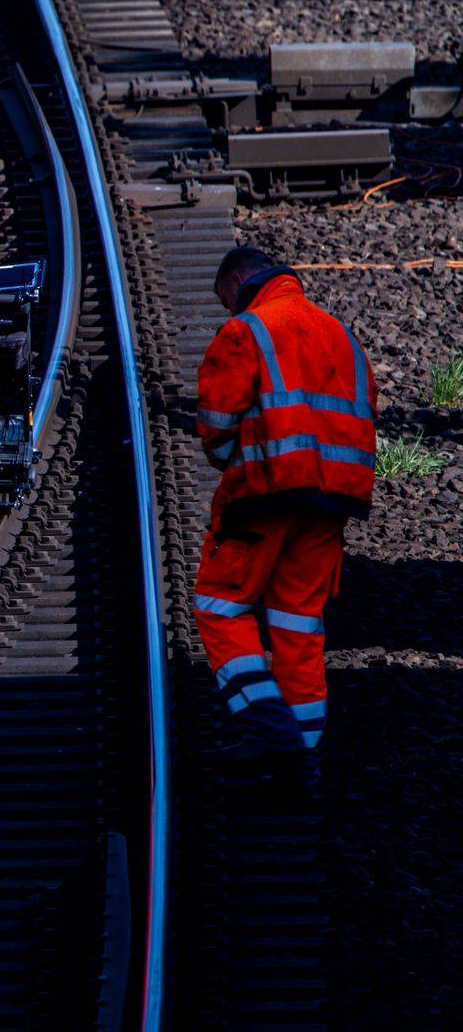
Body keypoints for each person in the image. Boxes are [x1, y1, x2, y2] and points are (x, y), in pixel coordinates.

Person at [193, 246, 375, 780]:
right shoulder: (339, 332)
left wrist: (235, 463)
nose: (229, 309)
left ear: (240, 280)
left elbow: (216, 424)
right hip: (333, 501)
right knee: (298, 620)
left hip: (264, 496)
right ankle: (305, 755)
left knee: (220, 605)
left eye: (226, 298)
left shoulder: (248, 330)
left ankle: (269, 728)